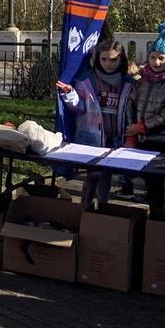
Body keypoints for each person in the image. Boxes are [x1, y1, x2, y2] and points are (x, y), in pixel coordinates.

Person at [56, 41, 135, 208]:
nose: (109, 64)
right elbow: (79, 108)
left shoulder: (128, 82)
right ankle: (85, 208)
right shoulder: (86, 79)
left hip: (115, 137)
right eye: (104, 59)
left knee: (106, 175)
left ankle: (102, 209)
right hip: (91, 137)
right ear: (98, 59)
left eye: (113, 60)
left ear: (121, 60)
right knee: (93, 175)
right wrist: (70, 94)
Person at [126, 23, 165, 213]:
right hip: (143, 138)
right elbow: (132, 104)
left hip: (164, 139)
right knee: (150, 183)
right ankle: (154, 216)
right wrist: (133, 129)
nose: (157, 62)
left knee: (160, 181)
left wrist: (144, 126)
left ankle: (164, 219)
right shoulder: (142, 81)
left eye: (162, 58)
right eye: (153, 57)